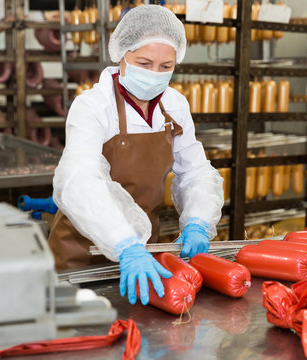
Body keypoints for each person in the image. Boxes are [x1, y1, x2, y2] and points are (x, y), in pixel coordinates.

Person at [49, 5, 224, 306]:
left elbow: (195, 171)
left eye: (166, 66)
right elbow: (81, 180)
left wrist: (197, 220)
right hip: (81, 256)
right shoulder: (93, 106)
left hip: (146, 255)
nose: (155, 74)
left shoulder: (175, 106)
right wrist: (125, 244)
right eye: (144, 62)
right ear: (122, 55)